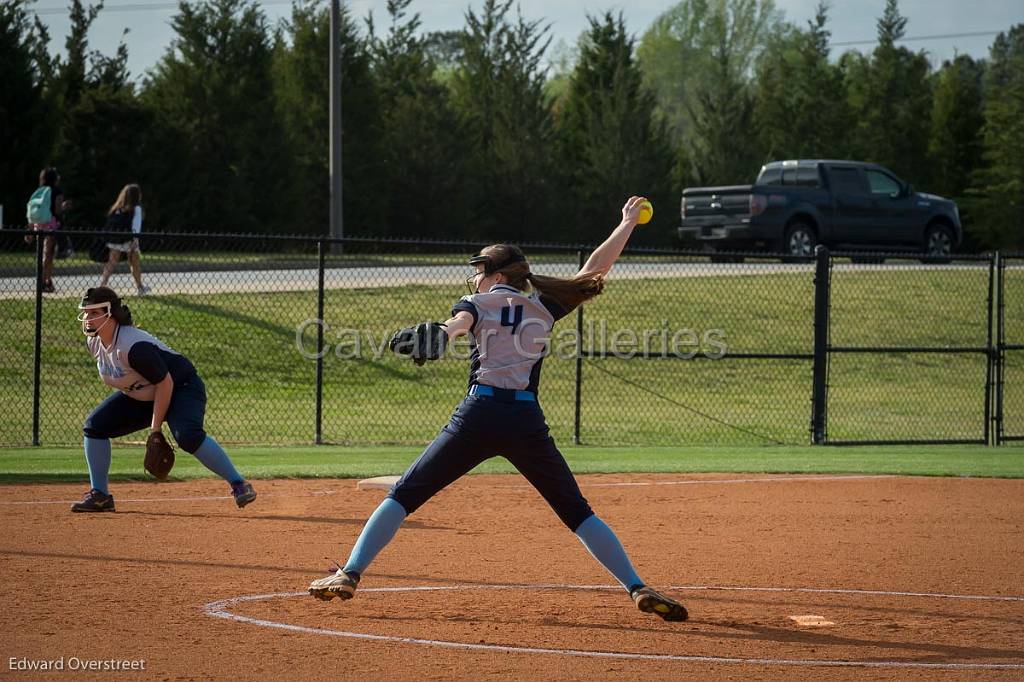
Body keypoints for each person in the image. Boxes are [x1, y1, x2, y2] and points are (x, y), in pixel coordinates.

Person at [308, 196, 687, 622]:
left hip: (478, 416)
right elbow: (595, 269)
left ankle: (349, 574)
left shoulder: (476, 304)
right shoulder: (543, 306)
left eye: (480, 271)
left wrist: (441, 333)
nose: (475, 279)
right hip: (525, 421)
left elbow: (456, 327)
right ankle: (636, 586)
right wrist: (627, 223)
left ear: (498, 274)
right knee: (577, 512)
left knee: (404, 495)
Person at [72, 286, 256, 512]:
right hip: (143, 395)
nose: (88, 319)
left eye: (93, 313)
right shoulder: (95, 343)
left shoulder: (132, 346)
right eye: (86, 312)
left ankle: (239, 484)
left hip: (182, 388)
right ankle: (100, 495)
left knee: (187, 436)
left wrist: (155, 429)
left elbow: (165, 383)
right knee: (95, 426)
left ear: (109, 313)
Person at [99, 183, 149, 295]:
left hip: (116, 239)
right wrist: (135, 242)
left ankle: (102, 285)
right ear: (137, 195)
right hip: (130, 239)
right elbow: (136, 227)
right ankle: (140, 287)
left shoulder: (118, 208)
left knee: (111, 262)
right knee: (134, 263)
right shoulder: (136, 208)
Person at [25, 167, 68, 293]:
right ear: (54, 178)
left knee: (44, 254)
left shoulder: (39, 191)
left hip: (39, 225)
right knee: (48, 255)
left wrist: (30, 227)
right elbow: (57, 210)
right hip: (51, 224)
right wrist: (64, 207)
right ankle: (44, 282)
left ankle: (47, 281)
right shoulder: (57, 190)